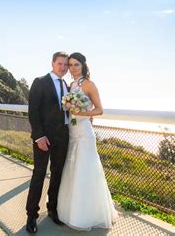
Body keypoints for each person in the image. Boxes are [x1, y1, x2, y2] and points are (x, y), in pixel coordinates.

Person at [57, 52, 118, 230]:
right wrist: (69, 107)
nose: (73, 68)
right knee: (72, 169)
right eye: (71, 65)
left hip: (84, 132)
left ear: (83, 65)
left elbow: (100, 110)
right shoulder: (70, 85)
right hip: (72, 131)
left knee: (86, 170)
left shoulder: (89, 84)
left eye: (77, 64)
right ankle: (70, 211)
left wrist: (80, 113)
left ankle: (87, 215)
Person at [25, 51, 70, 234]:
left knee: (58, 173)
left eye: (66, 65)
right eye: (60, 64)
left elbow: (65, 111)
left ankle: (52, 209)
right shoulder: (40, 81)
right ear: (52, 63)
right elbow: (33, 111)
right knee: (39, 174)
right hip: (44, 138)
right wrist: (39, 136)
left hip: (63, 137)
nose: (63, 67)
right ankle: (31, 216)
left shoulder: (67, 84)